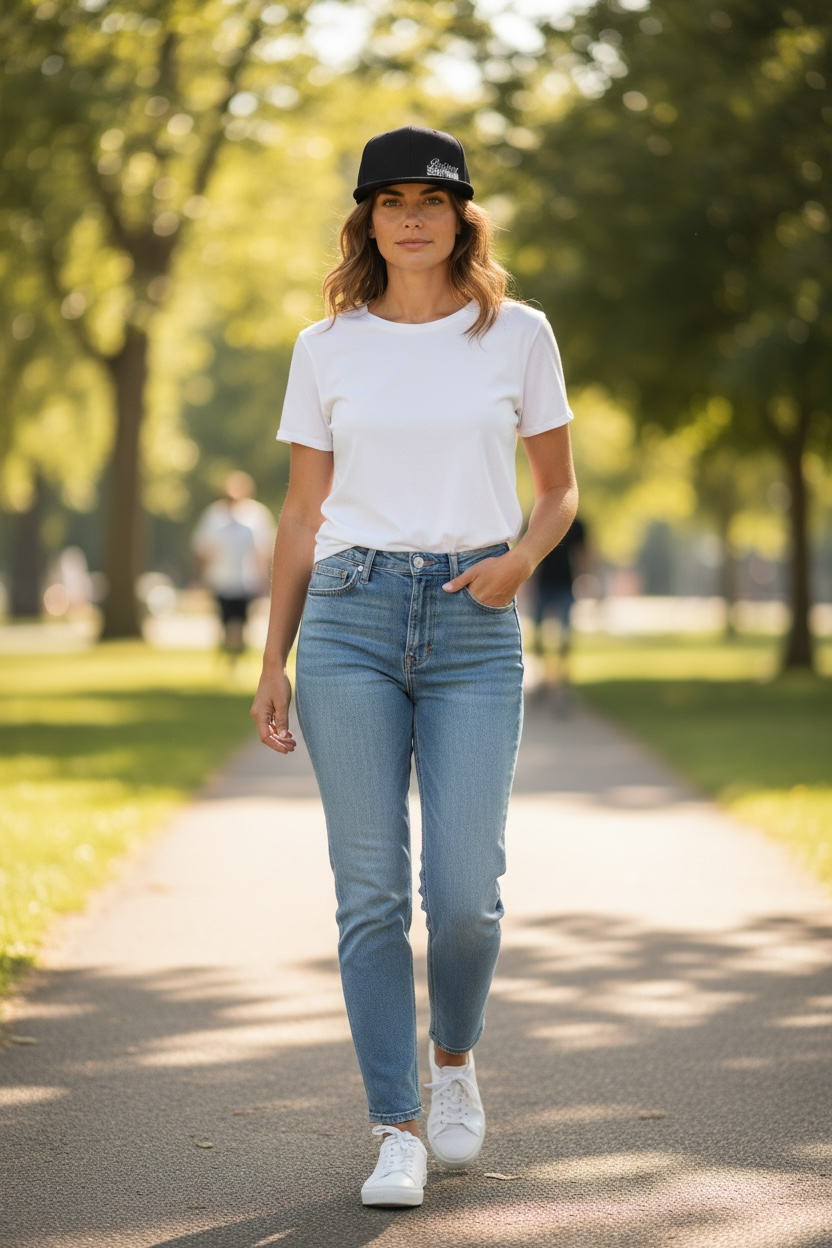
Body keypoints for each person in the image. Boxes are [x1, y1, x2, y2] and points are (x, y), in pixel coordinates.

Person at [251, 125, 578, 1208]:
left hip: (471, 622)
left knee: (466, 895)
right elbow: (300, 515)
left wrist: (518, 561)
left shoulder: (517, 334)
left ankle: (454, 1062)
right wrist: (272, 659)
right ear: (367, 221)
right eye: (389, 201)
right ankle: (393, 1126)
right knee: (371, 893)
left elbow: (558, 490)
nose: (410, 218)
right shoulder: (326, 346)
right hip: (347, 618)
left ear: (460, 216)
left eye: (429, 200)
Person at [192, 472, 275, 659]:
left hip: (247, 579)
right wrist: (199, 577)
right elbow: (203, 548)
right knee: (225, 619)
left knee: (241, 620)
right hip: (220, 578)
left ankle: (235, 653)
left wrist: (263, 579)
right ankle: (229, 652)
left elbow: (263, 550)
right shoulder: (213, 515)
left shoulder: (257, 515)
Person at [530, 514, 587, 707]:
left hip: (565, 584)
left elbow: (583, 553)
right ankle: (542, 680)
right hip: (542, 584)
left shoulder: (577, 523)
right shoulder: (536, 517)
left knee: (565, 637)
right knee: (538, 637)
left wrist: (585, 580)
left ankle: (563, 683)